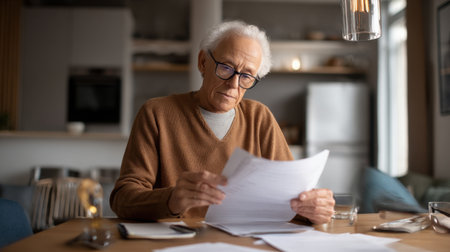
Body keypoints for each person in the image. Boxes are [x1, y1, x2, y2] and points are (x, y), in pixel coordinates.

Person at [110, 20, 335, 224]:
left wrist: (312, 210)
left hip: (245, 243)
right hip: (176, 244)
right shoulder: (156, 113)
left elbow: (291, 199)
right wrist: (171, 199)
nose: (233, 84)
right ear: (203, 62)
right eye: (226, 67)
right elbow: (122, 199)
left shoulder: (260, 118)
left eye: (246, 76)